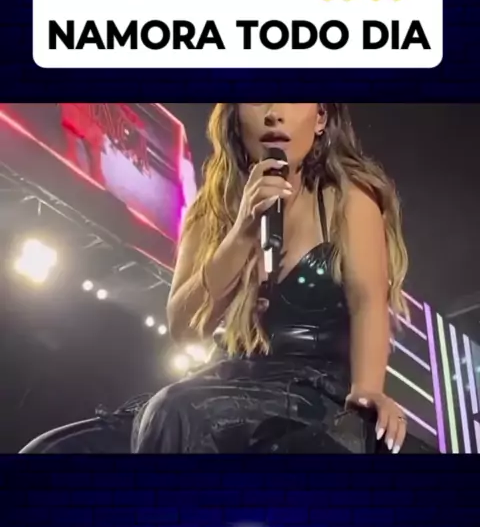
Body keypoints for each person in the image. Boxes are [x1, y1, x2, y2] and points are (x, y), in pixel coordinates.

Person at [132, 103, 422, 454]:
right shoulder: (211, 211)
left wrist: (368, 390)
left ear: (320, 118)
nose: (274, 113)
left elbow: (368, 303)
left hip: (316, 391)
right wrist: (242, 233)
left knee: (176, 410)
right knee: (87, 437)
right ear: (235, 118)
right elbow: (184, 328)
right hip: (231, 380)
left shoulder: (348, 200)